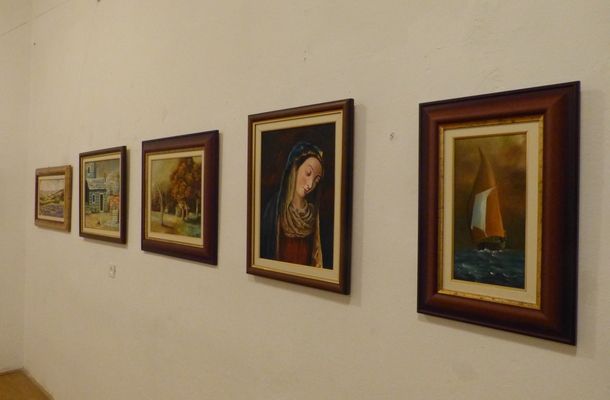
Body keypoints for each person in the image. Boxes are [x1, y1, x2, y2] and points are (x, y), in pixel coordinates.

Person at [261, 141, 324, 267]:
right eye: (308, 173)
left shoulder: (312, 213)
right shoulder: (275, 208)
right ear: (294, 168)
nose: (310, 185)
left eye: (316, 180)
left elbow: (317, 259)